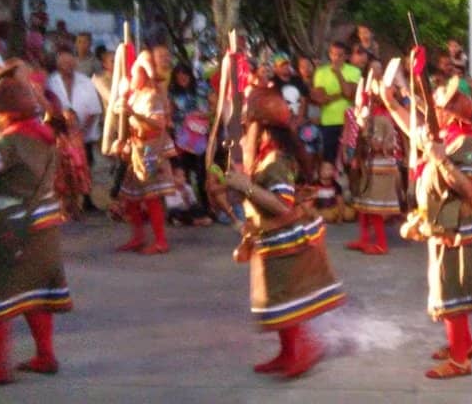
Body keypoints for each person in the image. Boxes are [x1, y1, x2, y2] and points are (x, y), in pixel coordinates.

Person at [209, 88, 345, 379]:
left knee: (285, 298)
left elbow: (281, 205)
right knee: (276, 299)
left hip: (287, 239)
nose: (245, 131)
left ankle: (302, 350)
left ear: (263, 127)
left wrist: (243, 185)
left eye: (248, 125)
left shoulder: (276, 161)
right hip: (269, 239)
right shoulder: (262, 158)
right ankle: (288, 352)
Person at [380, 74, 472, 379]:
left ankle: (460, 361)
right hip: (442, 225)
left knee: (452, 291)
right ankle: (463, 343)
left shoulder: (466, 142)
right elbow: (410, 127)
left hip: (460, 230)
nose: (437, 110)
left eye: (443, 105)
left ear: (456, 109)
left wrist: (442, 162)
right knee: (446, 287)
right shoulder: (442, 135)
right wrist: (390, 100)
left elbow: (470, 189)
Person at [0, 71, 72, 387]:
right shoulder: (43, 135)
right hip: (45, 228)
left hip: (12, 231)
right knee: (34, 294)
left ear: (4, 113)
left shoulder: (9, 142)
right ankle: (45, 355)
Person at [113, 50, 177, 255]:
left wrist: (135, 114)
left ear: (144, 75)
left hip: (151, 150)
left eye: (136, 74)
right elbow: (121, 115)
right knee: (131, 197)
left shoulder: (153, 97)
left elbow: (158, 125)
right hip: (136, 149)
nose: (132, 78)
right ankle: (138, 236)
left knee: (151, 197)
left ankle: (160, 241)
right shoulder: (135, 95)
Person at [348, 77, 401, 253]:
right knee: (364, 205)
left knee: (374, 207)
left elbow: (382, 144)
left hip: (380, 167)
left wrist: (368, 137)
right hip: (368, 166)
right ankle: (363, 239)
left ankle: (381, 244)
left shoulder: (382, 119)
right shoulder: (368, 118)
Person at [168, 63, 213, 220]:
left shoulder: (202, 88)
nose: (182, 77)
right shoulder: (173, 93)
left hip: (200, 137)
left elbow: (214, 106)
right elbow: (170, 114)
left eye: (185, 73)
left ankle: (207, 206)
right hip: (182, 139)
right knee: (184, 174)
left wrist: (205, 115)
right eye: (178, 74)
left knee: (202, 174)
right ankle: (188, 207)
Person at [47, 48, 103, 173]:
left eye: (71, 63)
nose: (68, 66)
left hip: (84, 136)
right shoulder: (50, 81)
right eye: (64, 63)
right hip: (60, 136)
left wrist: (81, 132)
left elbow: (94, 110)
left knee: (85, 168)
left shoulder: (86, 81)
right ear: (58, 65)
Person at [311, 41, 361, 166]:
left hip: (350, 123)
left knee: (350, 161)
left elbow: (350, 94)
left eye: (340, 55)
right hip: (328, 122)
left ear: (346, 56)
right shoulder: (321, 72)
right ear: (329, 55)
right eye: (333, 54)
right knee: (329, 159)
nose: (336, 58)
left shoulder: (354, 72)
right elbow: (321, 99)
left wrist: (338, 73)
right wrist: (341, 94)